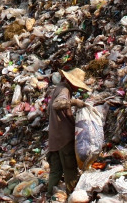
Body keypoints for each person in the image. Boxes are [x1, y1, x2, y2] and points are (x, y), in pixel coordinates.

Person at [46, 68, 90, 198]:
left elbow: (50, 109)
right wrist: (74, 102)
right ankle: (73, 196)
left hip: (54, 139)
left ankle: (50, 197)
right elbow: (57, 105)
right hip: (64, 138)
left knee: (55, 171)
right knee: (70, 170)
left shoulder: (57, 89)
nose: (77, 89)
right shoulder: (64, 89)